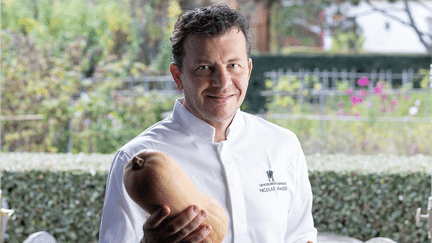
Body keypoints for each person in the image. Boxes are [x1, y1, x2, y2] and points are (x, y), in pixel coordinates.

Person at [99, 3, 317, 243]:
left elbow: (300, 235)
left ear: (249, 69)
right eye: (204, 68)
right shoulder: (134, 159)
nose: (222, 82)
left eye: (233, 65)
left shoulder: (282, 144)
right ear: (177, 76)